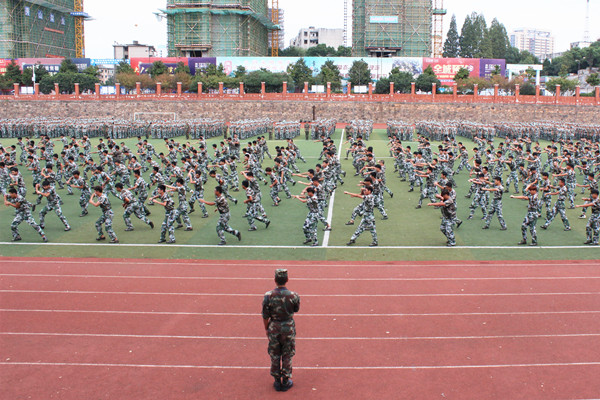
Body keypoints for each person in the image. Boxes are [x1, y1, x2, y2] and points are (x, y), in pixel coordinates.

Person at [262, 269, 300, 392]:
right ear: (287, 280)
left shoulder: (268, 295)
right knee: (287, 354)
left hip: (274, 327)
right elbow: (296, 309)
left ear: (275, 280)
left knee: (275, 354)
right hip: (288, 327)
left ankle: (277, 381)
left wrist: (267, 329)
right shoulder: (294, 296)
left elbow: (265, 315)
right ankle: (286, 380)